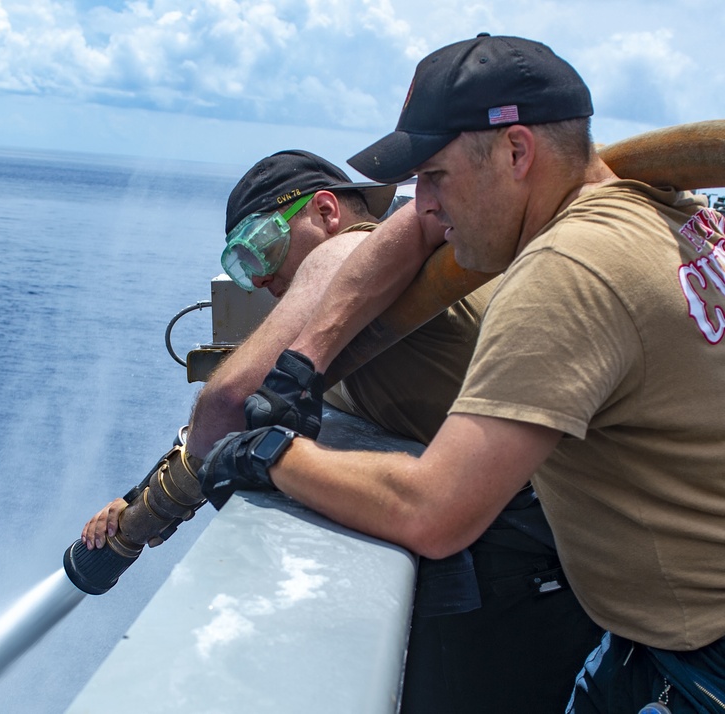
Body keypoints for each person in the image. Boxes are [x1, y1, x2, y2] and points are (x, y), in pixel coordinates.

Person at [199, 34, 725, 713]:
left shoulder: (568, 270)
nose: (422, 206)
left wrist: (268, 453)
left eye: (436, 176)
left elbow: (433, 511)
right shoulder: (668, 212)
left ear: (515, 153)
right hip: (646, 638)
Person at [82, 149, 602, 712]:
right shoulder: (378, 281)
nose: (259, 279)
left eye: (262, 247)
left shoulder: (349, 247)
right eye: (241, 264)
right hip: (543, 543)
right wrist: (140, 497)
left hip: (519, 558)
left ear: (326, 212)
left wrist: (148, 516)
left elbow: (230, 402)